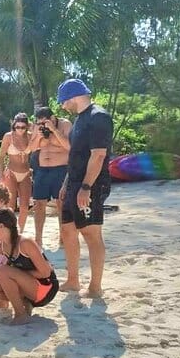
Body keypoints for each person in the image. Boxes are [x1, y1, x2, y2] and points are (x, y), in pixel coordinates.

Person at [56, 79, 112, 298]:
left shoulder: (98, 117)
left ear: (73, 96)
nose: (63, 106)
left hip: (91, 185)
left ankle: (95, 287)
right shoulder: (79, 119)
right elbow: (75, 155)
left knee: (91, 234)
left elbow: (98, 156)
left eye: (63, 101)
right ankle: (73, 280)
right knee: (67, 230)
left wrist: (86, 187)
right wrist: (66, 183)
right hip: (74, 183)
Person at [0, 208, 59, 325]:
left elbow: (45, 273)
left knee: (2, 271)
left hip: (46, 289)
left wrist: (16, 274)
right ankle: (25, 303)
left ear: (1, 226)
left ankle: (21, 314)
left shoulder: (25, 243)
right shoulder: (1, 246)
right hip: (29, 287)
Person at [28, 106, 72, 247]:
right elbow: (31, 148)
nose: (42, 125)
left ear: (52, 118)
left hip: (60, 168)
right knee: (39, 204)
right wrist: (38, 136)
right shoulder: (37, 127)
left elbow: (69, 146)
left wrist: (54, 130)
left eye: (44, 122)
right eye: (39, 122)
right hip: (42, 170)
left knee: (61, 203)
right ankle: (38, 238)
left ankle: (63, 236)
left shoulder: (65, 125)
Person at [0, 113, 32, 233]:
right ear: (14, 126)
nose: (20, 130)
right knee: (10, 205)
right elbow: (1, 156)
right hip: (11, 172)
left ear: (27, 126)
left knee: (24, 206)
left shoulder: (30, 136)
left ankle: (20, 231)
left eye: (23, 127)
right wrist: (0, 174)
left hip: (26, 173)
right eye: (17, 127)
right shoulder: (8, 137)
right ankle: (10, 231)